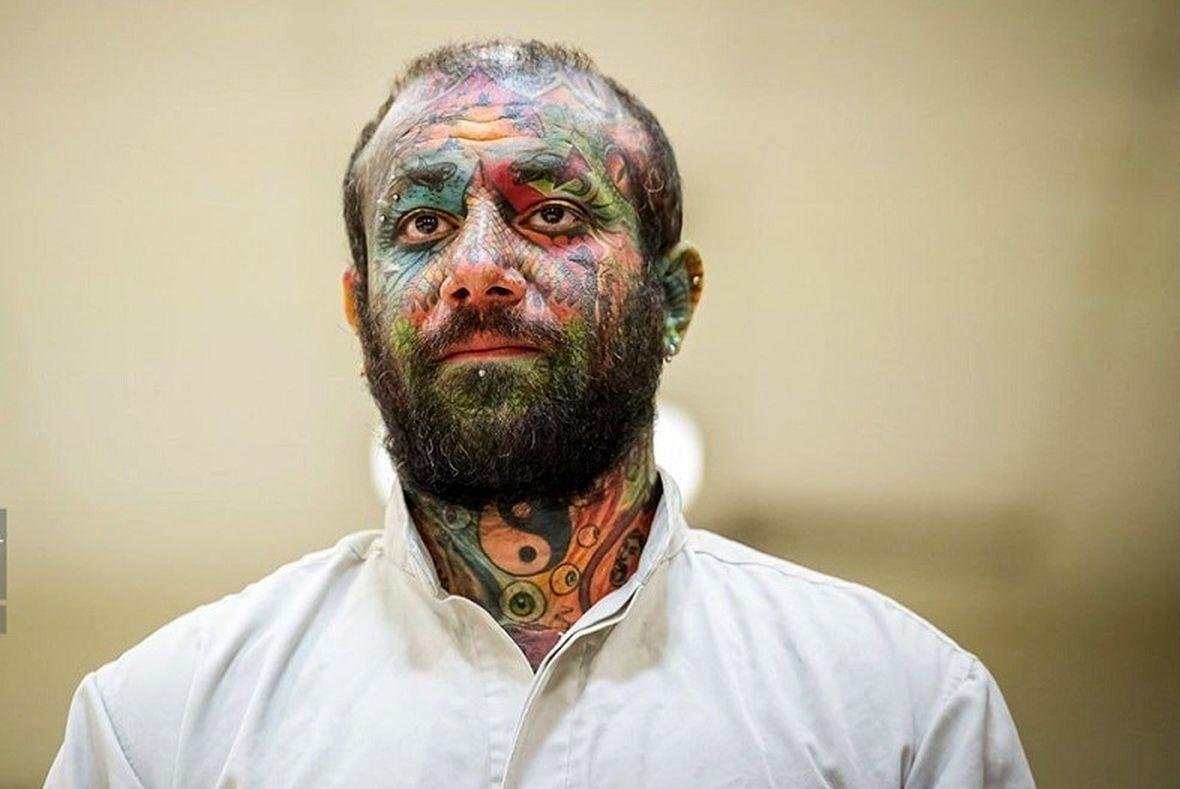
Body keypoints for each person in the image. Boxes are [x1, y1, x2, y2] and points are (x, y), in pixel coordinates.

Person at [46, 40, 1034, 788]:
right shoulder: (159, 727)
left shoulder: (902, 711)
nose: (477, 269)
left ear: (673, 301)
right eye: (424, 223)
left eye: (552, 214)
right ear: (360, 310)